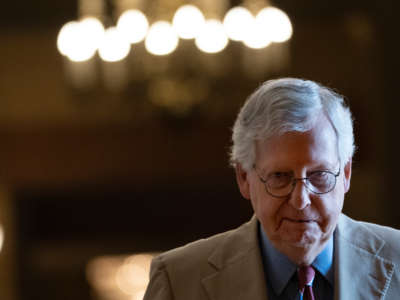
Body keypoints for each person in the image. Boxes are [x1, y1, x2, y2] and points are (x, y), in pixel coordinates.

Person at [143, 78, 400, 299]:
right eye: (280, 176)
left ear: (345, 174)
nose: (301, 200)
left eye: (319, 175)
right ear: (244, 178)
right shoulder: (179, 282)